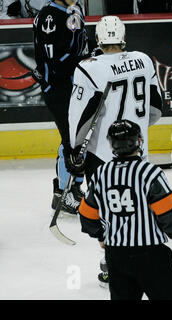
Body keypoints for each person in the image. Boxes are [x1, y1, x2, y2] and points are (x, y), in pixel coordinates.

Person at [66, 15, 163, 287]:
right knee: (137, 206)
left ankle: (111, 264)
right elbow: (156, 109)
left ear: (98, 39)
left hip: (103, 154)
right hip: (137, 150)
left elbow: (79, 116)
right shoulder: (143, 60)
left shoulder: (89, 67)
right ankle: (141, 259)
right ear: (123, 38)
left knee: (110, 209)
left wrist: (74, 148)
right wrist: (139, 128)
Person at [78, 119, 172, 300]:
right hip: (151, 255)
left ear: (111, 145)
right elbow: (168, 213)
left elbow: (86, 213)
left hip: (116, 256)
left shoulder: (101, 173)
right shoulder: (150, 173)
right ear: (139, 141)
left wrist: (101, 235)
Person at [32, 0, 89, 216]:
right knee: (70, 138)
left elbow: (81, 42)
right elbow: (55, 61)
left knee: (79, 137)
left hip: (75, 84)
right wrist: (85, 60)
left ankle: (74, 188)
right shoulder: (50, 16)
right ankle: (63, 194)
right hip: (58, 88)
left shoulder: (73, 9)